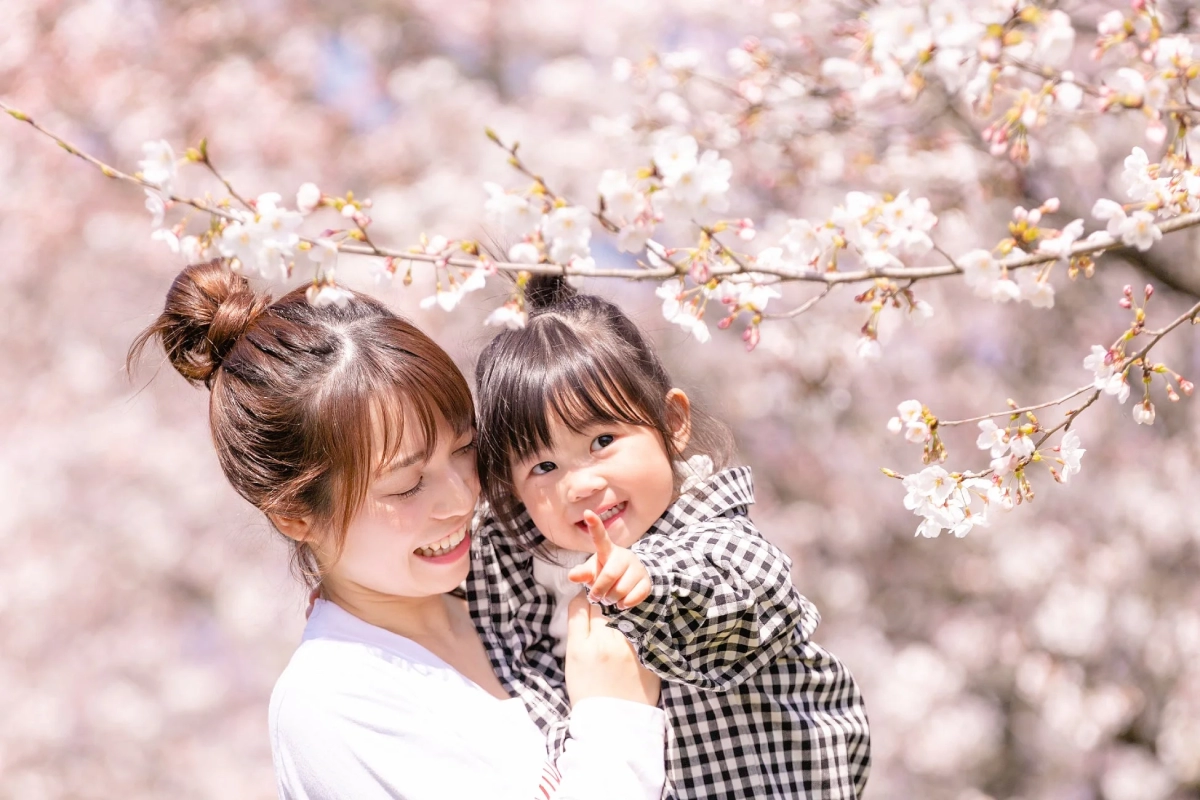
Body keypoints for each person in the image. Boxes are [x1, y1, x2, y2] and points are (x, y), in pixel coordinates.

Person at [128, 260, 667, 800]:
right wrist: (615, 716)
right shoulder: (335, 703)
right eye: (407, 486)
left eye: (464, 449)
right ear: (296, 515)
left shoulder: (522, 571)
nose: (460, 499)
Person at [469, 276, 871, 799]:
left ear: (671, 422)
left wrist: (652, 584)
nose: (581, 484)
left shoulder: (708, 526)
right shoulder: (518, 561)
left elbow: (745, 590)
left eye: (602, 441)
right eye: (544, 465)